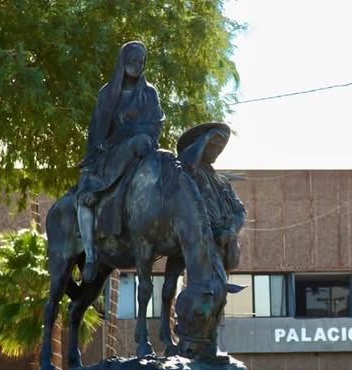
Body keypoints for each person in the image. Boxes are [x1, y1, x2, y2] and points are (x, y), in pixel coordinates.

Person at [77, 41, 165, 282]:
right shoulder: (107, 93)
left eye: (141, 62)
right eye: (133, 61)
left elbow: (155, 125)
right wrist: (100, 152)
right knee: (84, 196)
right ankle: (92, 254)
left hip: (143, 150)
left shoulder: (149, 93)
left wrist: (130, 132)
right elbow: (97, 132)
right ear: (123, 62)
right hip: (111, 153)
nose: (138, 66)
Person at [177, 122, 246, 270]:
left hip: (223, 245)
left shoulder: (222, 181)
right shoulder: (190, 173)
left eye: (220, 148)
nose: (217, 151)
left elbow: (240, 211)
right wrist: (206, 137)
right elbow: (187, 163)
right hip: (200, 240)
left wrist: (231, 230)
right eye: (213, 146)